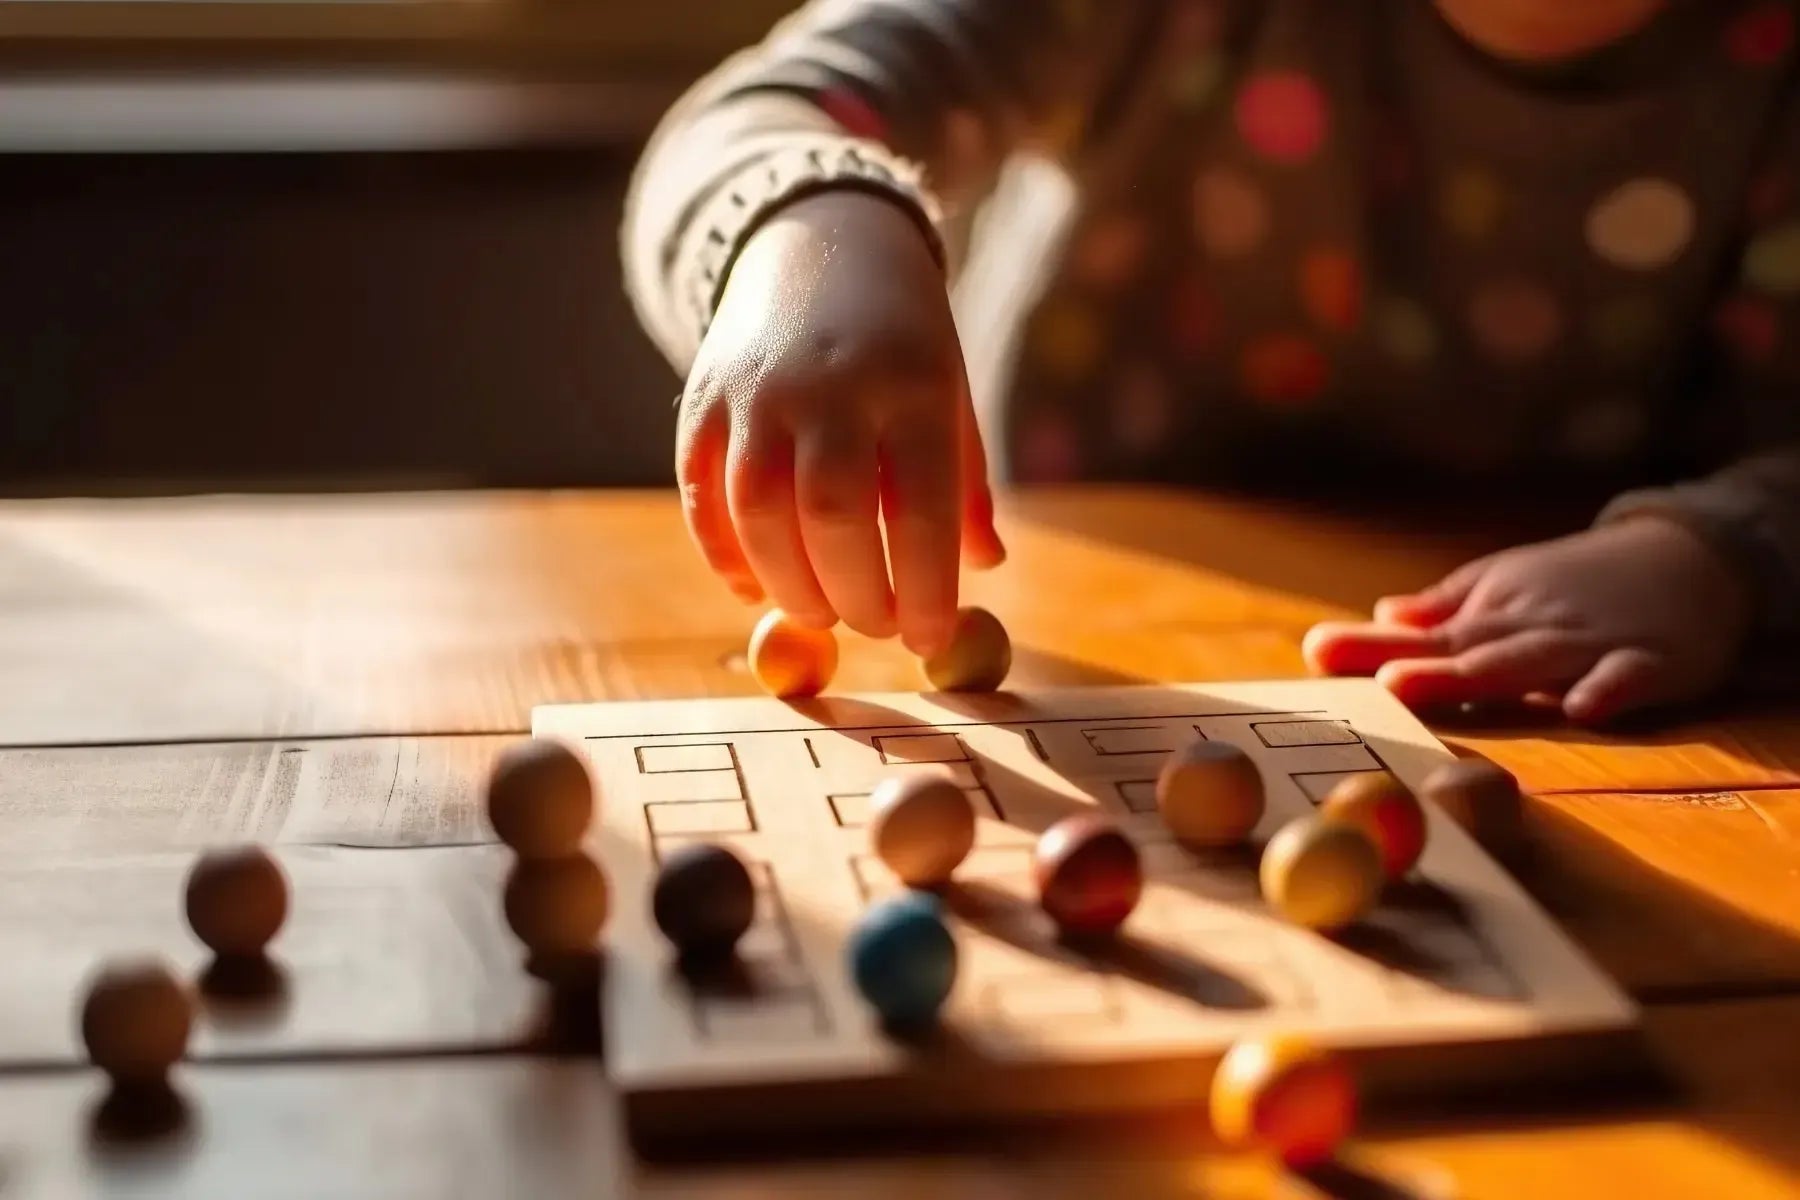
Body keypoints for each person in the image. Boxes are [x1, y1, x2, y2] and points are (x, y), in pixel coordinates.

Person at [621, 0, 1800, 724]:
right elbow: (773, 108)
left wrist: (1722, 555)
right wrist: (812, 226)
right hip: (1083, 651)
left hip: (1552, 710)